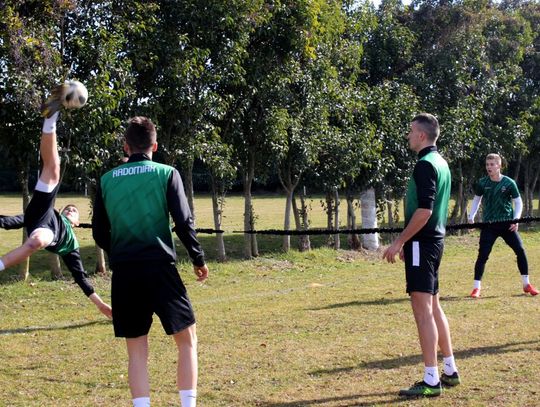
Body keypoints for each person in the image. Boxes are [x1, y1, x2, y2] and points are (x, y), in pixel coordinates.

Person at [92, 116, 209, 407]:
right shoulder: (167, 173)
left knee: (136, 351)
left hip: (125, 274)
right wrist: (197, 258)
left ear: (126, 146)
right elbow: (183, 222)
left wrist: (120, 252)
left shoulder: (106, 180)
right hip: (160, 269)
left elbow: (99, 233)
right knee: (187, 341)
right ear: (154, 146)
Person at [0, 90, 112, 319]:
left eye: (74, 210)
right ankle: (50, 116)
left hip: (44, 234)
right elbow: (20, 220)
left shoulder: (71, 245)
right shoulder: (53, 213)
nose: (70, 210)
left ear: (76, 222)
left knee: (38, 240)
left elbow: (81, 278)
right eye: (68, 208)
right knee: (53, 170)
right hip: (40, 216)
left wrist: (101, 305)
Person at [383, 113, 460, 397]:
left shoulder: (425, 165)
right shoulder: (441, 162)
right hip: (434, 242)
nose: (408, 135)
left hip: (422, 243)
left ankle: (431, 380)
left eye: (411, 130)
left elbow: (424, 210)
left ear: (422, 135)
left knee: (423, 312)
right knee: (434, 306)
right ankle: (449, 370)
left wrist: (400, 242)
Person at [468, 153, 538, 298]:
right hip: (489, 225)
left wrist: (515, 220)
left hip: (507, 225)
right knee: (483, 255)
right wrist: (471, 216)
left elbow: (518, 202)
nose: (489, 167)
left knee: (520, 250)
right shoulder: (482, 183)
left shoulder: (509, 183)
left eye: (492, 164)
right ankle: (476, 288)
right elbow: (476, 200)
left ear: (499, 165)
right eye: (487, 165)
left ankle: (527, 284)